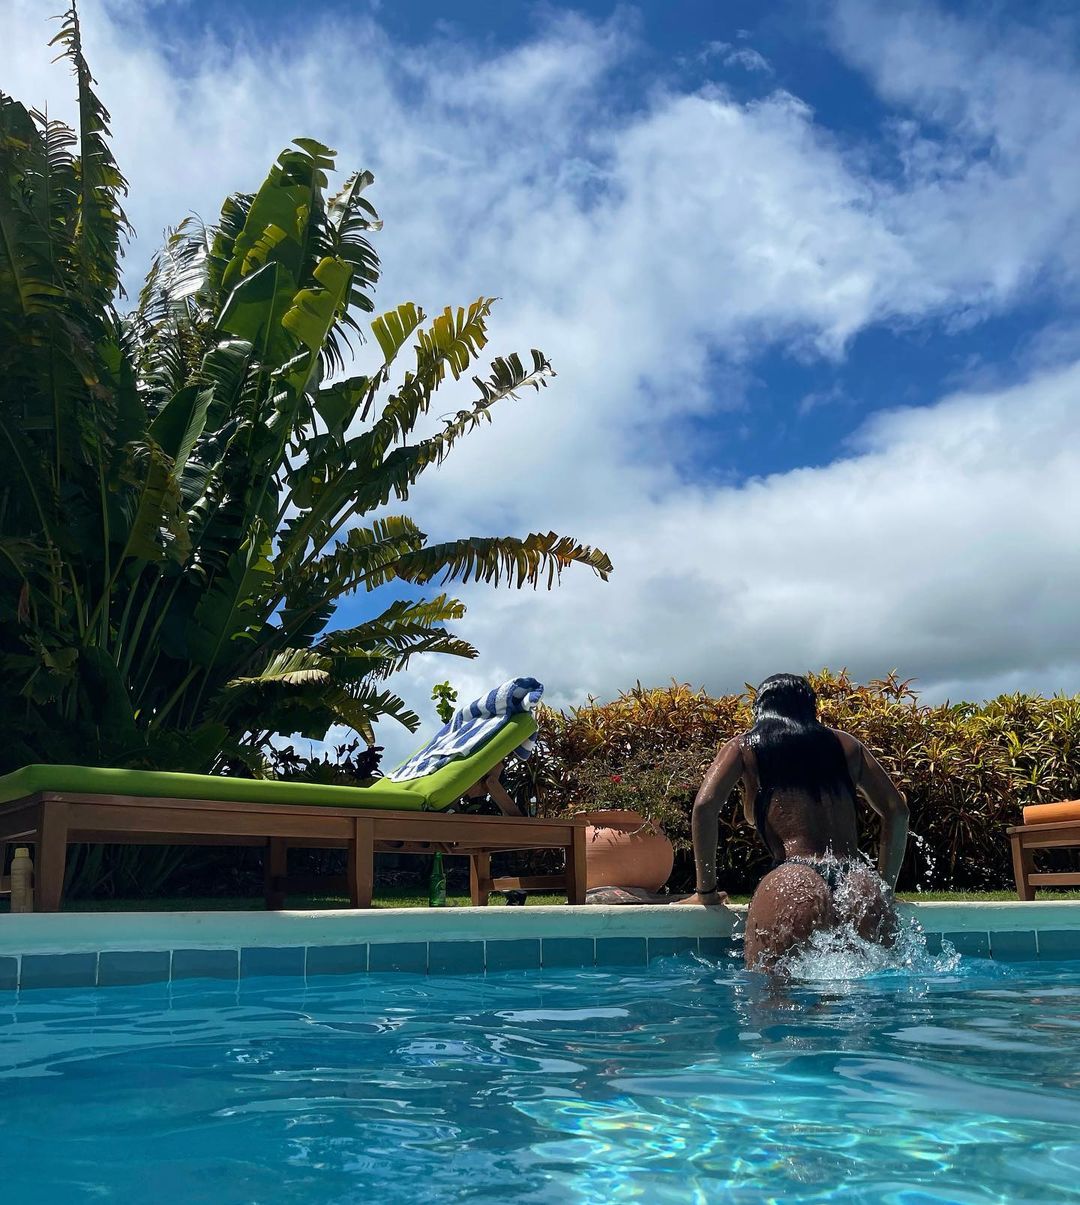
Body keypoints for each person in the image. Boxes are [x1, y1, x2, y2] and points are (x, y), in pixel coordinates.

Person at [685, 673, 909, 969]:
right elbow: (897, 810)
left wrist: (706, 893)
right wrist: (884, 888)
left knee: (771, 993)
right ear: (811, 707)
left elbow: (704, 807)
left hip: (793, 878)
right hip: (858, 883)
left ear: (760, 710)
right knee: (878, 990)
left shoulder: (745, 745)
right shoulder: (848, 746)